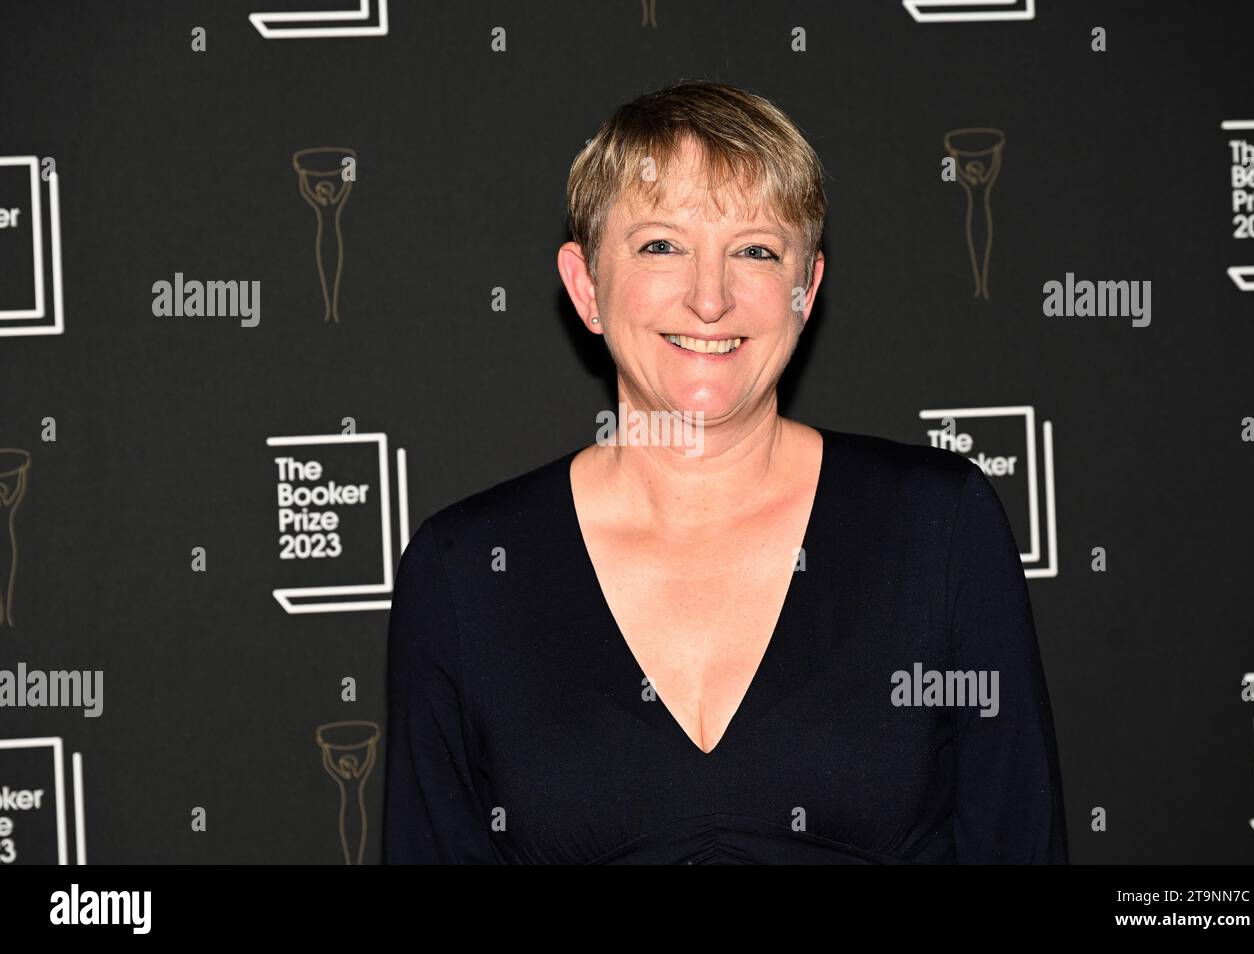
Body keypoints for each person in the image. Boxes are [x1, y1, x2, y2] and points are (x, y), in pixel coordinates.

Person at [383, 79, 1068, 864]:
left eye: (755, 250)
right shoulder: (466, 573)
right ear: (585, 287)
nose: (710, 298)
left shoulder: (938, 528)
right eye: (661, 246)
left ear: (805, 290)